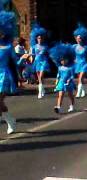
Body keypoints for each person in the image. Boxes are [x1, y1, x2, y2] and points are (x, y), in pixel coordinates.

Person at [0, 1, 21, 134]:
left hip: (4, 76)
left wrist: (18, 78)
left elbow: (15, 63)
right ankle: (10, 120)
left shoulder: (8, 47)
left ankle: (10, 121)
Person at [49, 43, 76, 113]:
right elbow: (58, 75)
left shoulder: (70, 68)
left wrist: (69, 80)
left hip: (69, 83)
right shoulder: (60, 68)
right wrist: (57, 81)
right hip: (61, 82)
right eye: (62, 60)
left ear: (68, 59)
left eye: (65, 59)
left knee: (70, 95)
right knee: (60, 95)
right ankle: (58, 107)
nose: (63, 61)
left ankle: (72, 105)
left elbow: (72, 76)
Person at [30, 24, 50, 99]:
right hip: (37, 62)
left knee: (41, 76)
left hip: (44, 62)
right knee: (39, 78)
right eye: (38, 38)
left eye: (41, 38)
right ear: (36, 39)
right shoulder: (34, 46)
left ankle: (39, 92)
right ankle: (42, 89)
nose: (40, 39)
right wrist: (31, 61)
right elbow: (32, 55)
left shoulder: (45, 46)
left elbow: (49, 54)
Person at [73, 24, 87, 98]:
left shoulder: (86, 47)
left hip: (84, 63)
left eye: (80, 38)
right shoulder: (74, 47)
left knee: (80, 78)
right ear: (76, 38)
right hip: (77, 64)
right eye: (78, 38)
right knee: (79, 78)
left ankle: (78, 92)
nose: (79, 39)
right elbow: (71, 55)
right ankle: (83, 91)